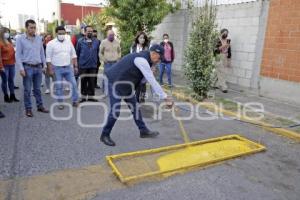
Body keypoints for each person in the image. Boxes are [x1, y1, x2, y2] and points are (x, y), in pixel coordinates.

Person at [100, 44, 173, 147]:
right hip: (114, 81)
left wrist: (150, 71)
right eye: (159, 58)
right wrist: (165, 97)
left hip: (126, 85)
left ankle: (143, 131)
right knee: (115, 111)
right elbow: (152, 81)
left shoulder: (147, 61)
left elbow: (143, 80)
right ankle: (104, 135)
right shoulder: (142, 60)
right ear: (154, 54)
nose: (159, 61)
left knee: (135, 108)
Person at [15, 19, 49, 117]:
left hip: (38, 67)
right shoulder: (20, 39)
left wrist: (44, 65)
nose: (33, 30)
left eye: (34, 28)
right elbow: (18, 55)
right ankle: (28, 109)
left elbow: (42, 53)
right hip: (27, 67)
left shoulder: (39, 38)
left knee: (37, 89)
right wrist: (21, 68)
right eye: (31, 28)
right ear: (26, 28)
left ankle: (40, 106)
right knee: (27, 90)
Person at [46, 26, 79, 110]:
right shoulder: (51, 44)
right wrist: (50, 69)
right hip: (57, 69)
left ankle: (75, 101)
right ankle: (60, 103)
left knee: (74, 84)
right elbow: (48, 58)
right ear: (56, 33)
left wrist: (75, 66)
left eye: (63, 33)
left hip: (68, 68)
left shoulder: (69, 42)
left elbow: (74, 55)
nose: (62, 35)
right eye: (60, 33)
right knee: (59, 86)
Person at [76, 25, 99, 102]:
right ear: (85, 32)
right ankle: (83, 97)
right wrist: (77, 64)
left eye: (91, 31)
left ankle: (91, 97)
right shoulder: (80, 41)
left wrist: (97, 62)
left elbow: (98, 52)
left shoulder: (96, 41)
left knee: (92, 81)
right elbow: (77, 53)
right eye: (88, 31)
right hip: (83, 65)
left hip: (93, 65)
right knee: (83, 81)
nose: (90, 32)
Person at [0, 27, 19, 103]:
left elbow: (13, 52)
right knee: (5, 81)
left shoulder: (10, 42)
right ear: (2, 33)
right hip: (4, 65)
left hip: (12, 64)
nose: (7, 33)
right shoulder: (0, 43)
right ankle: (6, 96)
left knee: (11, 80)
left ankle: (12, 95)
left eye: (8, 32)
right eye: (6, 32)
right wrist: (1, 67)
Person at [99, 30, 121, 95]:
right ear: (107, 35)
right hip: (107, 63)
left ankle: (114, 91)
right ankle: (105, 92)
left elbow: (119, 51)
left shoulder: (117, 42)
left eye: (112, 35)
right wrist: (103, 59)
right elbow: (100, 53)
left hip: (115, 63)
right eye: (110, 35)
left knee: (115, 77)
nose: (112, 36)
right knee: (106, 77)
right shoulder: (103, 42)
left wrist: (118, 58)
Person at [130, 31, 149, 103]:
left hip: (144, 68)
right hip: (136, 68)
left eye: (144, 38)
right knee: (137, 83)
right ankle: (136, 98)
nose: (142, 39)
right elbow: (131, 57)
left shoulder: (146, 48)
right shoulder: (133, 47)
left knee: (143, 83)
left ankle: (142, 96)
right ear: (137, 38)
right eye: (141, 38)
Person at [214, 28, 232, 93]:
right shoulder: (217, 40)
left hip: (225, 57)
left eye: (227, 33)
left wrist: (229, 61)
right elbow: (215, 50)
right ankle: (224, 87)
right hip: (218, 56)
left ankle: (215, 84)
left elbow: (229, 52)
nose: (226, 34)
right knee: (222, 72)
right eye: (224, 33)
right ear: (221, 33)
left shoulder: (228, 41)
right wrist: (224, 46)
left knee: (219, 72)